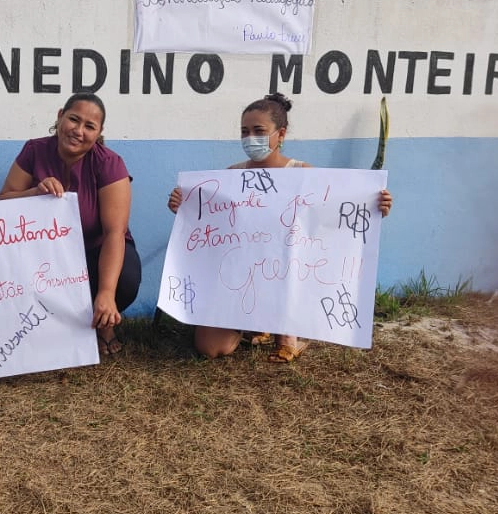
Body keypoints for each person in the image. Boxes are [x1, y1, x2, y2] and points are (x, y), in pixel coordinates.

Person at [167, 92, 393, 363]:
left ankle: (287, 333)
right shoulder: (230, 176)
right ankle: (252, 323)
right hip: (241, 280)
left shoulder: (303, 174)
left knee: (286, 286)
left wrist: (373, 207)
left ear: (280, 133)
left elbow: (333, 217)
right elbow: (208, 221)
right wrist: (184, 205)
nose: (251, 138)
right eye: (244, 131)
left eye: (259, 131)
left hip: (289, 275)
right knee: (212, 349)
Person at [0, 92, 142, 356]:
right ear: (60, 116)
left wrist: (107, 293)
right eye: (74, 119)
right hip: (46, 254)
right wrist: (34, 194)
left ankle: (102, 325)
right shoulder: (35, 150)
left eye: (89, 126)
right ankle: (50, 329)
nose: (79, 131)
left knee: (126, 278)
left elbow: (114, 233)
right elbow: (3, 202)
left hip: (96, 250)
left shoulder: (109, 164)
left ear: (99, 132)